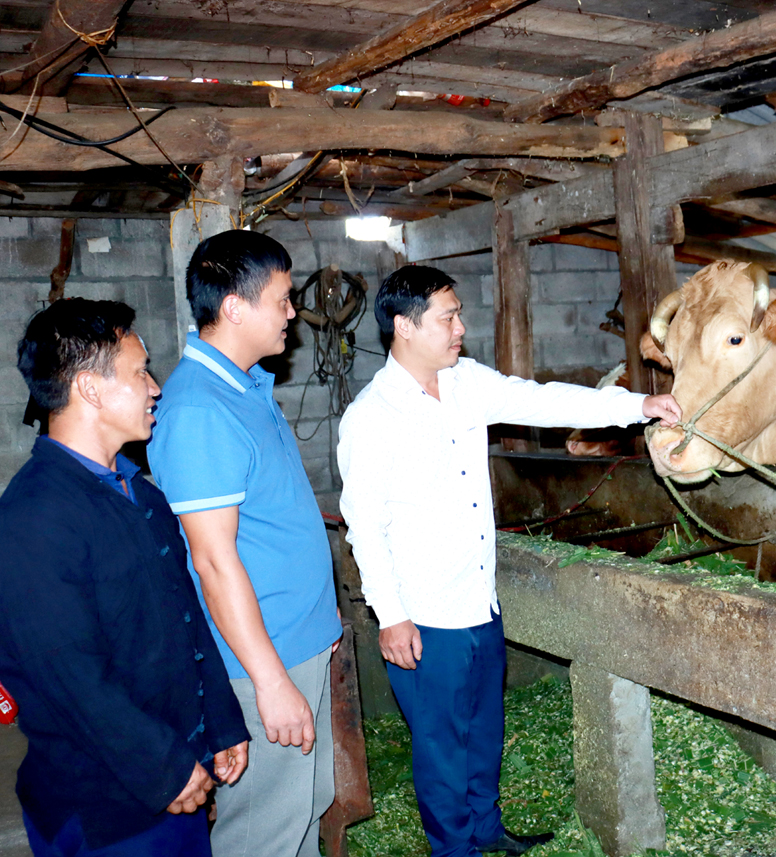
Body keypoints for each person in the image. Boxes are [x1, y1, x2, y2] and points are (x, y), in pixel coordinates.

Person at [337, 265, 681, 857]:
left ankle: (486, 830)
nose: (460, 329)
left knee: (484, 732)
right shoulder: (372, 416)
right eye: (447, 317)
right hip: (424, 616)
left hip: (478, 600)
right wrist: (390, 616)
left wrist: (638, 404)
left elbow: (542, 401)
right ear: (404, 326)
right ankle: (455, 849)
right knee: (441, 746)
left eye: (458, 315)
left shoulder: (466, 381)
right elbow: (365, 527)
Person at [0, 299, 250, 857]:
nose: (156, 387)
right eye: (140, 372)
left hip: (178, 770)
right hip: (106, 805)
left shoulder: (140, 492)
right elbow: (69, 679)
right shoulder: (31, 519)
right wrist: (166, 770)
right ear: (89, 389)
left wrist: (221, 724)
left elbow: (187, 622)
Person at [146, 231, 342, 857]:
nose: (294, 313)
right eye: (283, 300)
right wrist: (269, 680)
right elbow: (211, 558)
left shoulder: (246, 384)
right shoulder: (199, 408)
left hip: (298, 640)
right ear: (234, 308)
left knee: (303, 808)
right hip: (267, 657)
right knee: (262, 832)